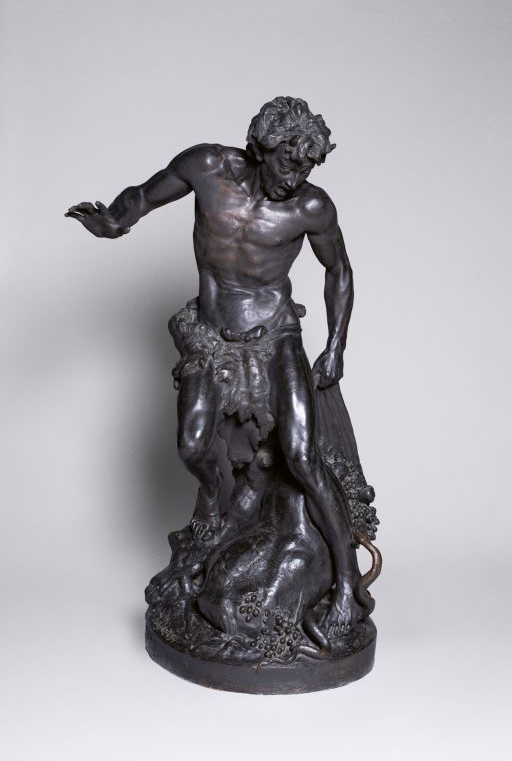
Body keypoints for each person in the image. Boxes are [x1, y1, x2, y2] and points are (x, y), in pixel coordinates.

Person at [66, 96, 364, 634]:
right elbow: (145, 194)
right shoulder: (207, 167)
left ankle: (348, 584)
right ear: (261, 146)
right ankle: (222, 506)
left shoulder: (311, 208)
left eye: (306, 168)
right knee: (192, 446)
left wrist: (336, 344)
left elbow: (338, 270)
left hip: (274, 336)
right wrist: (115, 220)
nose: (295, 177)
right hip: (210, 335)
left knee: (301, 455)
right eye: (288, 161)